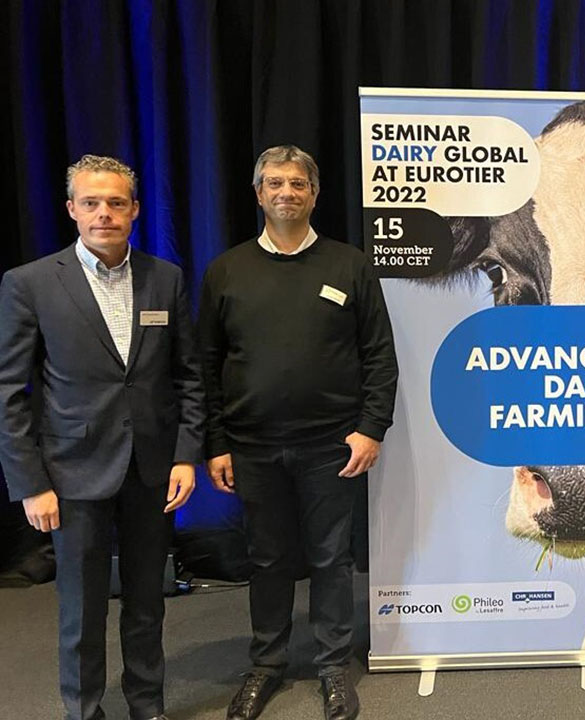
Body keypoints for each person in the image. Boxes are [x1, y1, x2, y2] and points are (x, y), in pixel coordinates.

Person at [0, 154, 205, 720]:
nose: (104, 213)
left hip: (151, 470)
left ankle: (147, 705)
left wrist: (187, 456)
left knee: (147, 603)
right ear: (71, 209)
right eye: (91, 202)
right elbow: (8, 392)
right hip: (70, 474)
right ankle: (84, 711)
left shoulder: (166, 278)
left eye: (116, 202)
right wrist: (29, 483)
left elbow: (188, 376)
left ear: (135, 210)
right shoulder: (31, 284)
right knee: (82, 611)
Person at [199, 145, 398, 720]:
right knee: (267, 559)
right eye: (275, 183)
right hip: (252, 445)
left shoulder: (349, 265)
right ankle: (266, 663)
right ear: (258, 194)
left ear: (314, 194)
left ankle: (334, 665)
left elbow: (379, 357)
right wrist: (217, 443)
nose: (287, 192)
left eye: (298, 183)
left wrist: (370, 428)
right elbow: (207, 363)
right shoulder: (227, 271)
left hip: (331, 445)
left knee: (331, 557)